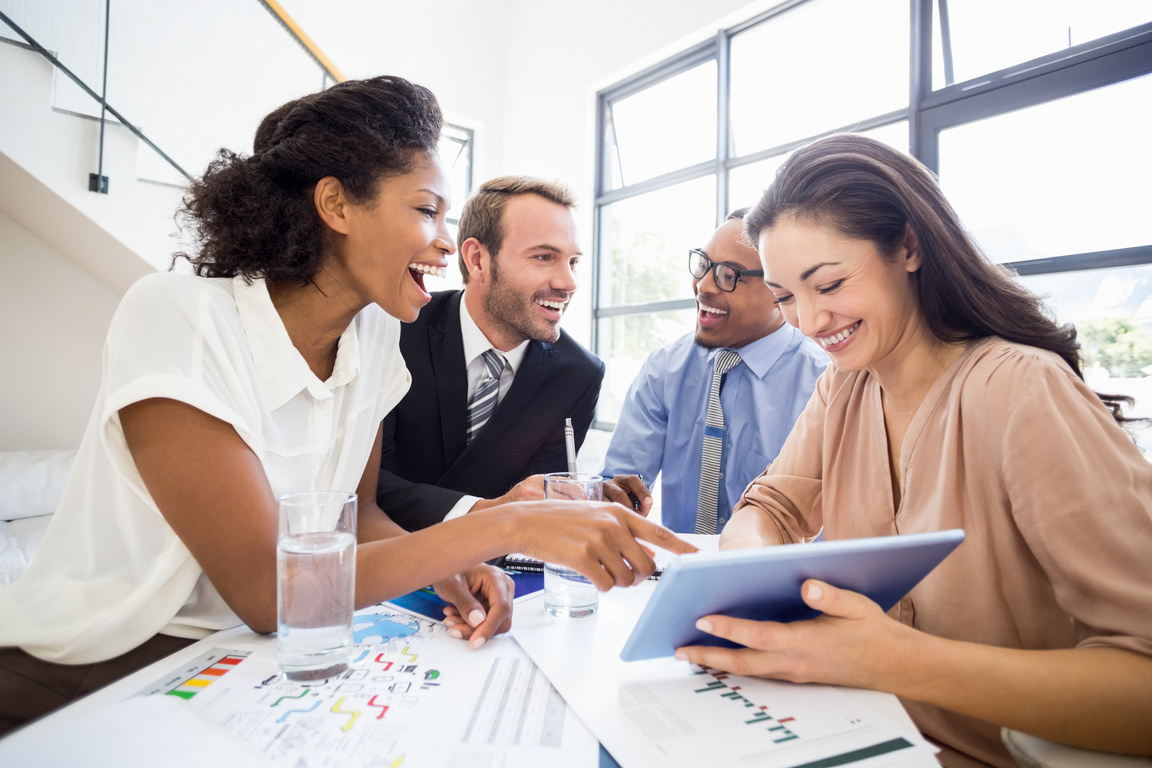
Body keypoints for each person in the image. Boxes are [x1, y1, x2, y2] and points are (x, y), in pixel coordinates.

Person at [0, 76, 692, 737]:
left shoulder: (372, 337)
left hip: (240, 663)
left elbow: (358, 516)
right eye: (426, 210)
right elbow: (267, 591)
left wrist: (445, 572)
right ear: (334, 206)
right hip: (93, 667)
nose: (448, 243)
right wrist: (504, 527)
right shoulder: (179, 315)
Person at [672, 134, 1152, 767]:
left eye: (831, 283)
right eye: (787, 297)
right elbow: (771, 507)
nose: (811, 322)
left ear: (908, 246)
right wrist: (756, 583)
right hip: (864, 736)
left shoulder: (1020, 389)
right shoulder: (844, 388)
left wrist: (892, 658)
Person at [377, 176, 604, 532]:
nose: (569, 283)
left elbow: (540, 502)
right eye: (545, 257)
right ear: (477, 259)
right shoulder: (394, 331)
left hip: (500, 570)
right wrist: (484, 511)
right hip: (386, 557)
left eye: (573, 261)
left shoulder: (578, 374)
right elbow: (365, 483)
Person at [600, 210, 827, 534]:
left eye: (728, 275)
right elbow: (617, 485)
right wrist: (613, 497)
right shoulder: (665, 370)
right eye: (704, 265)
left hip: (787, 580)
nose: (703, 286)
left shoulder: (826, 383)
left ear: (782, 292)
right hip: (678, 572)